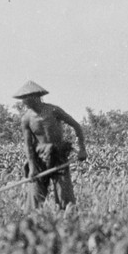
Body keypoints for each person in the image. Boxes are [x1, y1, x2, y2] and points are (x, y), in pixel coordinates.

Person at [14, 80, 88, 210]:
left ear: (36, 96)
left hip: (58, 154)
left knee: (64, 194)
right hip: (40, 157)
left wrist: (82, 149)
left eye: (26, 98)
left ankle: (67, 219)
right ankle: (32, 221)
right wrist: (32, 167)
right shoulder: (26, 119)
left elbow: (76, 126)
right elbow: (28, 145)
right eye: (23, 99)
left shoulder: (53, 110)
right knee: (36, 194)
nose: (24, 102)